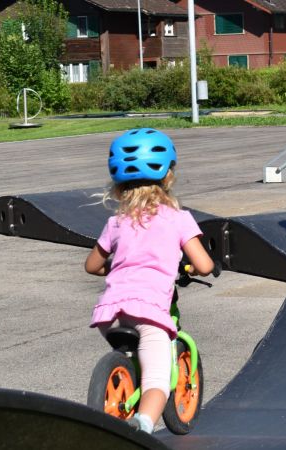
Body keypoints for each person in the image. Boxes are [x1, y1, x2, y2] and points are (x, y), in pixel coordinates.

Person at [85, 128, 214, 434]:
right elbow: (205, 265)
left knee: (134, 354)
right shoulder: (179, 218)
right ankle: (142, 427)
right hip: (150, 313)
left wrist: (115, 269)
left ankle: (127, 382)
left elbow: (92, 266)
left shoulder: (115, 222)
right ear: (168, 176)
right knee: (158, 382)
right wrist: (192, 270)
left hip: (110, 314)